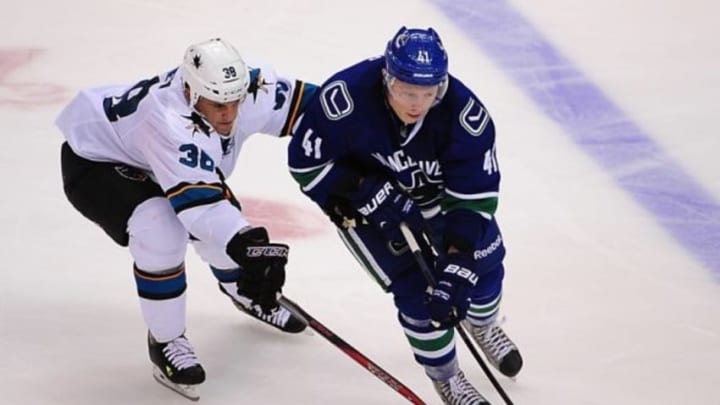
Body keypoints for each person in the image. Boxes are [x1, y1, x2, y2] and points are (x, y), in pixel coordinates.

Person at [56, 38, 317, 400]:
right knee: (162, 230)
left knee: (225, 232)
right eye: (217, 105)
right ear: (192, 93)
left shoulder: (246, 86)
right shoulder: (167, 119)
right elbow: (202, 208)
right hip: (97, 164)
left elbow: (320, 110)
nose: (228, 114)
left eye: (234, 102)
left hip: (150, 154)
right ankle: (165, 341)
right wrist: (249, 247)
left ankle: (242, 292)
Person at [287, 27, 523, 404]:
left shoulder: (465, 115)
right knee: (417, 293)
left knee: (485, 264)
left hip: (441, 202)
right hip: (367, 210)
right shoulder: (345, 98)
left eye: (428, 94)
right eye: (407, 92)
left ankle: (483, 324)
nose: (417, 104)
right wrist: (363, 188)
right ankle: (447, 378)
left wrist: (459, 261)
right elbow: (306, 164)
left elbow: (473, 199)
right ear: (387, 78)